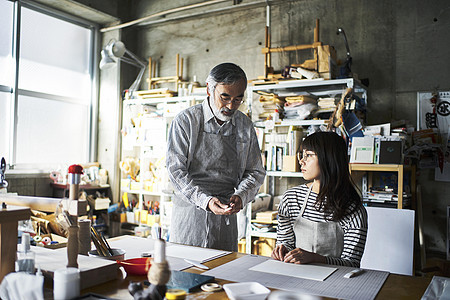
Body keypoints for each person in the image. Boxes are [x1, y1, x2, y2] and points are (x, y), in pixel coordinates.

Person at [166, 62, 266, 251]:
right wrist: (206, 201)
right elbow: (175, 171)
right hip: (189, 217)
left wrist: (241, 196)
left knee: (223, 273)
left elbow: (255, 171)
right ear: (209, 89)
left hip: (226, 217)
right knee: (188, 273)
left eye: (238, 99)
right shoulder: (186, 121)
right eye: (225, 97)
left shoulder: (244, 125)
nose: (231, 105)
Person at [271, 131, 367, 267]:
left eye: (308, 155)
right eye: (302, 155)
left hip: (334, 281)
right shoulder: (291, 199)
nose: (301, 161)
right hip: (294, 275)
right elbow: (285, 242)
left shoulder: (353, 210)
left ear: (329, 159)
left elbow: (352, 263)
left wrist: (316, 258)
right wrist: (282, 250)